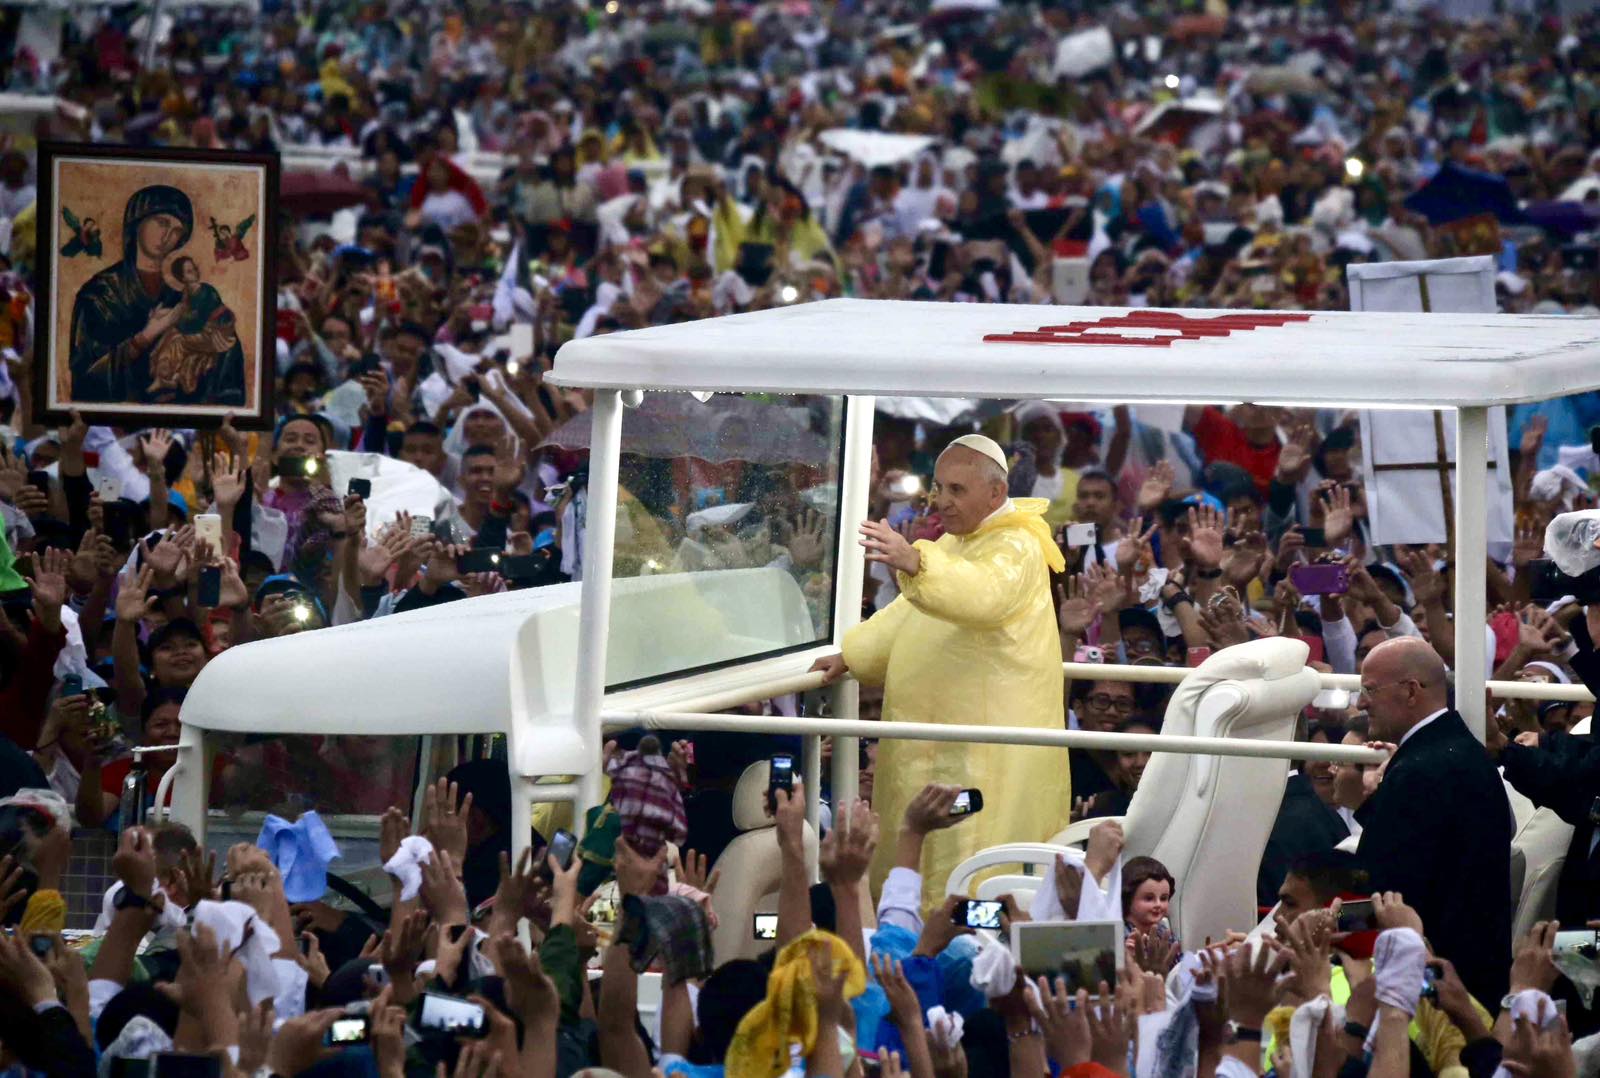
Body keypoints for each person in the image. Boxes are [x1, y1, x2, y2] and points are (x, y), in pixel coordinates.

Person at [812, 434, 1068, 895]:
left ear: (996, 494)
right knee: (917, 853)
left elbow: (982, 595)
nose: (942, 501)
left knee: (966, 868)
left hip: (981, 749)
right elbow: (908, 614)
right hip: (928, 738)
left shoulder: (1018, 546)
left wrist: (913, 558)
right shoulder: (954, 543)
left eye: (957, 490)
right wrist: (852, 655)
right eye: (939, 487)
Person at [1356, 636, 1513, 1005]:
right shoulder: (1458, 753)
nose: (1361, 702)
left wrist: (1325, 922)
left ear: (1411, 691)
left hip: (1434, 991)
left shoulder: (1420, 771)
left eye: (1370, 690)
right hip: (1474, 978)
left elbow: (1386, 892)